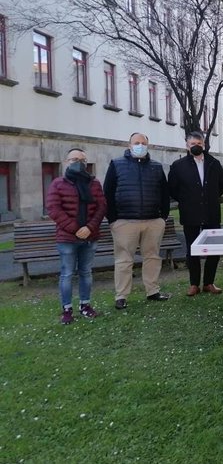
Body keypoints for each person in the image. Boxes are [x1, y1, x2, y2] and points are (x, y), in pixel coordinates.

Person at [103, 133, 171, 309]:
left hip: (153, 221)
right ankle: (122, 296)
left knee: (153, 257)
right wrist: (113, 219)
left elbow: (164, 193)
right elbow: (108, 193)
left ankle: (153, 291)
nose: (140, 145)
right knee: (124, 260)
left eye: (143, 143)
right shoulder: (117, 165)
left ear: (148, 145)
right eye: (137, 143)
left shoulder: (156, 167)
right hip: (125, 222)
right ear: (129, 145)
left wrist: (162, 216)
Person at [46, 148, 107, 324]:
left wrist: (89, 228)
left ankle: (85, 305)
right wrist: (75, 229)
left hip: (90, 236)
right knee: (66, 274)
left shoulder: (94, 183)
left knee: (86, 272)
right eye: (74, 159)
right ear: (66, 162)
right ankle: (66, 309)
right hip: (67, 238)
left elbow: (102, 207)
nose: (78, 163)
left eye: (81, 160)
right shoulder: (58, 184)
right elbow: (54, 209)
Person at [168, 131, 223, 297]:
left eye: (199, 144)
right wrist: (188, 200)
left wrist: (209, 197)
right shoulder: (178, 165)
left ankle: (209, 282)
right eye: (192, 144)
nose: (196, 147)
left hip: (211, 212)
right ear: (187, 146)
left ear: (204, 145)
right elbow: (173, 188)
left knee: (214, 249)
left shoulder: (214, 163)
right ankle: (194, 284)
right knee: (192, 249)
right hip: (190, 213)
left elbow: (221, 186)